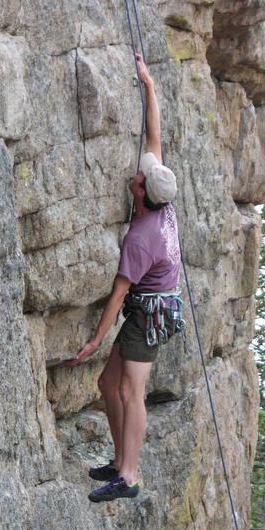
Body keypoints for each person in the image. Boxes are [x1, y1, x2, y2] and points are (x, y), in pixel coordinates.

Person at [69, 54, 181, 503]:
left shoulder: (141, 236)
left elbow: (118, 295)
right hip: (154, 305)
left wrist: (96, 340)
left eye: (138, 178)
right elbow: (155, 135)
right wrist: (148, 84)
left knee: (131, 391)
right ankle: (119, 461)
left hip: (149, 314)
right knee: (107, 385)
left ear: (141, 195)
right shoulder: (162, 194)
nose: (137, 174)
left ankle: (129, 476)